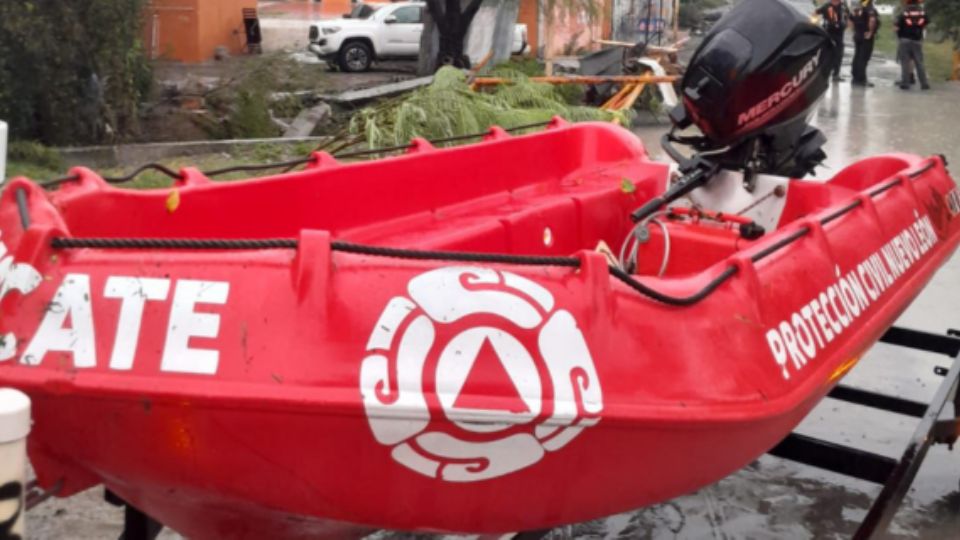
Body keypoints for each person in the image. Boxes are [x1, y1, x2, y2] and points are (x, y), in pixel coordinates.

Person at [895, 0, 930, 90]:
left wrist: (898, 36)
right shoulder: (922, 13)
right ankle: (924, 83)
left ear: (907, 2)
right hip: (917, 40)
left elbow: (896, 27)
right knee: (919, 63)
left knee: (905, 63)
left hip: (904, 40)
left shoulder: (903, 13)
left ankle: (905, 83)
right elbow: (926, 24)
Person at [816, 0, 852, 82]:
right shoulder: (826, 6)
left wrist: (846, 24)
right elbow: (816, 13)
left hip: (839, 33)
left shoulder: (843, 6)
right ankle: (822, 73)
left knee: (838, 54)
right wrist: (816, 23)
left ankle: (836, 74)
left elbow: (849, 16)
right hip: (828, 32)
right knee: (826, 53)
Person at [850, 0, 879, 86]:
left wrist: (854, 31)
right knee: (864, 57)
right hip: (866, 36)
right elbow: (872, 20)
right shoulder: (870, 8)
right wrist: (870, 32)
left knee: (857, 55)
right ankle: (861, 79)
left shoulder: (858, 7)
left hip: (858, 34)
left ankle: (855, 76)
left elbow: (850, 19)